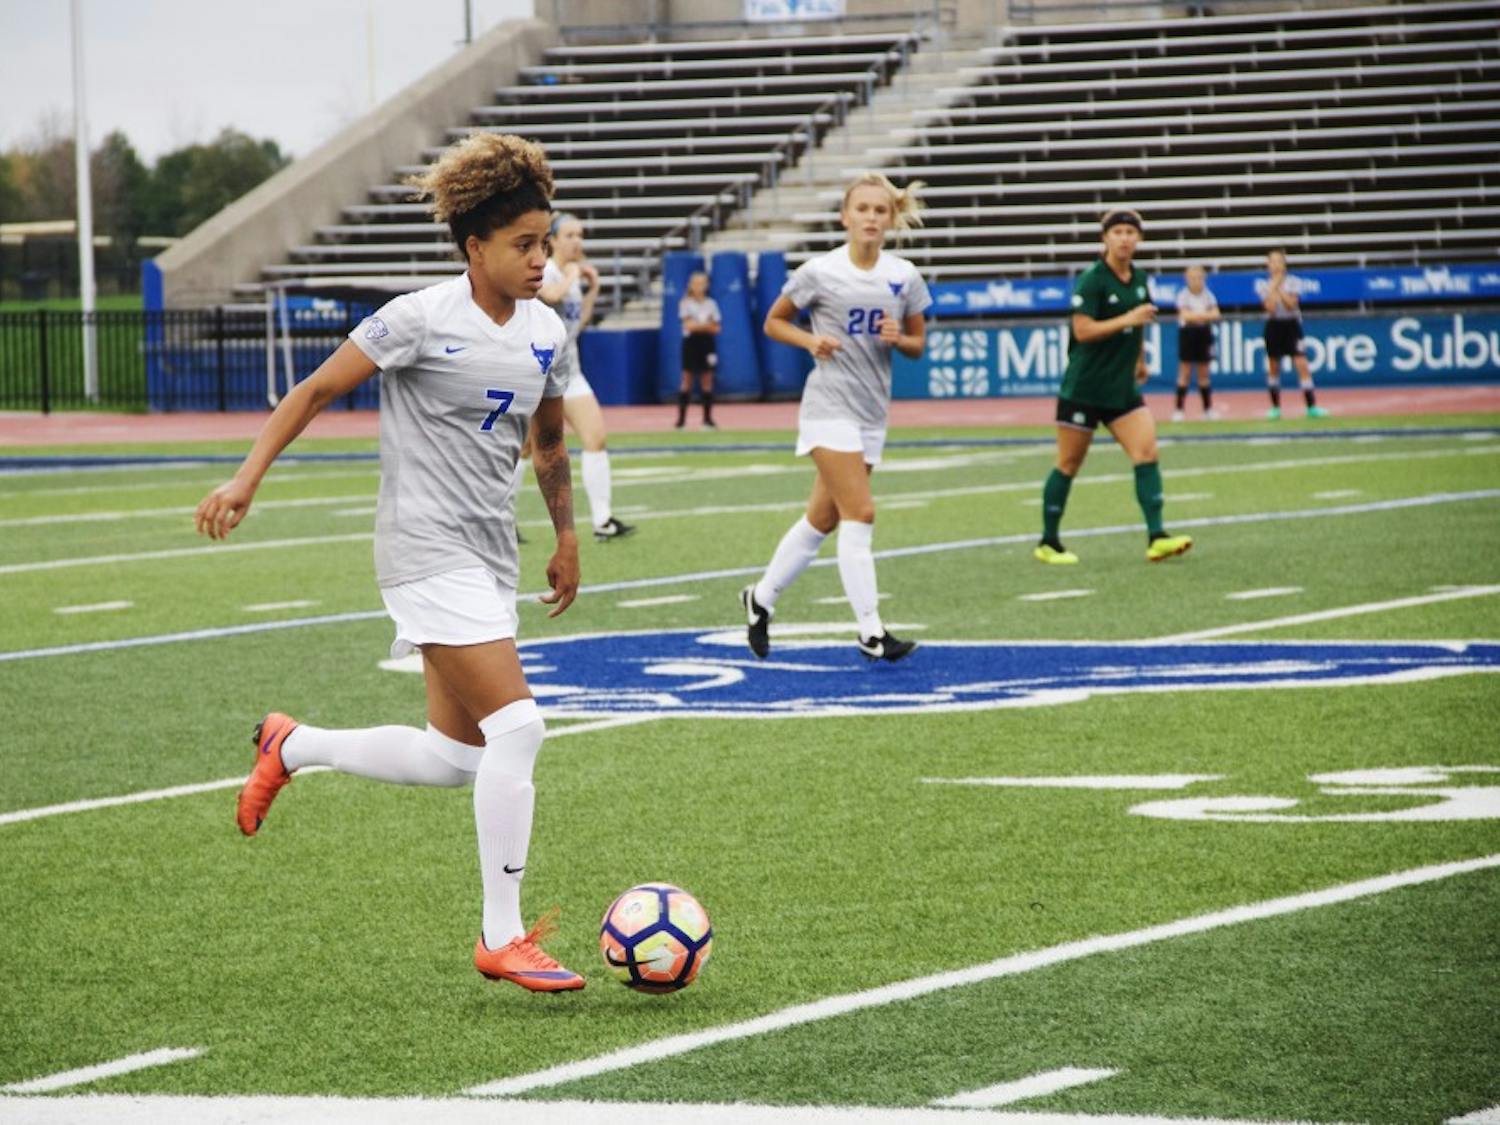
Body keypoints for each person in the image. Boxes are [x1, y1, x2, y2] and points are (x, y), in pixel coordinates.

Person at [193, 133, 587, 993]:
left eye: (544, 240)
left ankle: (292, 746)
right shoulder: (417, 316)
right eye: (523, 244)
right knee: (520, 728)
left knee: (458, 759)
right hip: (420, 547)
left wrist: (565, 534)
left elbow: (548, 438)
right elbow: (314, 391)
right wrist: (246, 476)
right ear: (473, 246)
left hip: (488, 556)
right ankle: (502, 934)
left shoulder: (549, 329)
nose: (539, 257)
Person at [740, 172, 931, 663]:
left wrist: (898, 338)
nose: (870, 217)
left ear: (891, 218)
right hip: (828, 406)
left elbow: (917, 344)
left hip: (872, 410)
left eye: (879, 210)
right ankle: (871, 631)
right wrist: (810, 340)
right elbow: (774, 321)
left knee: (822, 519)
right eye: (862, 209)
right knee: (860, 513)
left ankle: (760, 599)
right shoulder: (820, 272)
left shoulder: (903, 274)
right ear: (845, 217)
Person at [1035, 208, 1194, 566]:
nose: (1124, 238)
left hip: (1121, 391)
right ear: (1104, 238)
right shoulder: (1093, 279)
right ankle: (1048, 541)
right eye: (1118, 231)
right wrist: (1128, 318)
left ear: (1139, 239)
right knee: (1068, 463)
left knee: (1147, 452)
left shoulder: (1139, 278)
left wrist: (1138, 360)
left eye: (1130, 232)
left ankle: (1157, 537)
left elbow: (1138, 326)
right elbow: (1083, 330)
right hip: (1084, 389)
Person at [538, 213, 635, 540]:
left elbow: (576, 324)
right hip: (539, 375)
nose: (577, 241)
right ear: (551, 240)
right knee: (524, 450)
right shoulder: (545, 269)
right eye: (569, 235)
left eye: (580, 235)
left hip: (570, 372)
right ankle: (500, 520)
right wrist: (571, 275)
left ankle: (603, 520)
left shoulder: (570, 273)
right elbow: (551, 296)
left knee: (596, 438)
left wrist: (592, 289)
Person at [1257, 248, 1330, 420]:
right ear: (1268, 265)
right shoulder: (1262, 285)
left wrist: (1278, 289)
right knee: (1273, 367)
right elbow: (1271, 308)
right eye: (1272, 261)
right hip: (1274, 326)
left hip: (1291, 326)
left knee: (1301, 363)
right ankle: (1275, 408)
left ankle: (1311, 406)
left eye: (1279, 261)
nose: (1276, 265)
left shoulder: (1294, 282)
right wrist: (1272, 288)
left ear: (1284, 264)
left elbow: (1291, 305)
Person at [1172, 264, 1221, 422]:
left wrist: (1197, 316)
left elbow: (1215, 314)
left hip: (1203, 334)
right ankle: (1179, 410)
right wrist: (1203, 315)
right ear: (1186, 279)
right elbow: (1185, 316)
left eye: (1199, 277)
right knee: (1184, 373)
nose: (1196, 281)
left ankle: (1207, 409)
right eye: (1192, 278)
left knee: (1204, 374)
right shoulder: (1183, 295)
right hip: (1188, 334)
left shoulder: (1208, 296)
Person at [676, 270, 721, 429]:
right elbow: (688, 325)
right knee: (687, 379)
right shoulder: (685, 303)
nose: (699, 287)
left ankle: (707, 419)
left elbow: (716, 328)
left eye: (702, 283)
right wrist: (705, 326)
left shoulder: (711, 304)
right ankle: (681, 420)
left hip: (706, 344)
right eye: (696, 283)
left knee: (707, 380)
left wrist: (699, 326)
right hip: (691, 343)